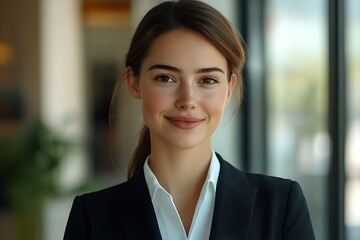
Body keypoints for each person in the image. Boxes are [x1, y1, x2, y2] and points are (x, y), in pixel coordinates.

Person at [64, 0, 315, 239]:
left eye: (207, 80)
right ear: (133, 83)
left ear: (229, 89)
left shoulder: (281, 207)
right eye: (166, 78)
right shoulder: (92, 218)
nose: (187, 100)